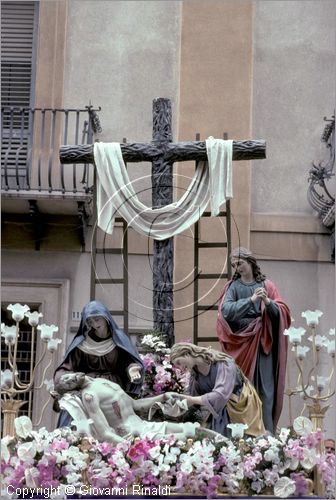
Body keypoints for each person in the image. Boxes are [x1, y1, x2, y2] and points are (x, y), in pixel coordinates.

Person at [216, 247, 291, 433]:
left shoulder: (268, 285)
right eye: (234, 265)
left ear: (250, 262)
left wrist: (268, 303)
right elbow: (226, 311)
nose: (237, 267)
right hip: (240, 342)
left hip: (263, 342)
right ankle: (243, 434)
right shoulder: (233, 287)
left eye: (240, 263)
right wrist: (250, 300)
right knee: (242, 389)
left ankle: (266, 434)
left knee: (266, 390)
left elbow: (282, 313)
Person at [54, 300, 144, 426]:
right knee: (73, 409)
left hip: (111, 387)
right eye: (90, 321)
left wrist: (132, 369)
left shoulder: (118, 339)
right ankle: (71, 441)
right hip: (87, 386)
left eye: (97, 319)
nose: (95, 324)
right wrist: (61, 380)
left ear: (106, 318)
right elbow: (67, 367)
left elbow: (128, 362)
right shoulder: (82, 343)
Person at [56, 372, 204, 444]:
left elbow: (136, 405)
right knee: (188, 437)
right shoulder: (89, 396)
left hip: (144, 426)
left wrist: (163, 397)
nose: (70, 379)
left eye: (66, 377)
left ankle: (227, 447)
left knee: (193, 430)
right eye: (68, 383)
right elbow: (105, 433)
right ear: (73, 389)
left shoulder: (100, 381)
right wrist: (129, 446)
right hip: (133, 437)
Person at [169, 342, 265, 438]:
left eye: (179, 362)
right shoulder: (195, 372)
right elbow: (192, 396)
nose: (180, 368)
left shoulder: (224, 363)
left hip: (239, 407)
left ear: (187, 353)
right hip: (218, 411)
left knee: (238, 441)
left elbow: (221, 394)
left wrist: (191, 400)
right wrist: (177, 406)